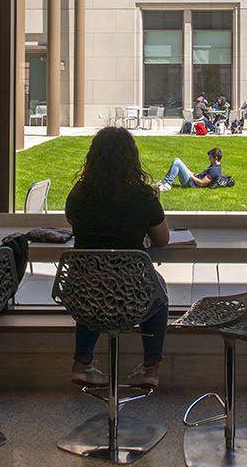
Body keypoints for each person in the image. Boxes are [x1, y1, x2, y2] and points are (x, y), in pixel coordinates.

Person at [63, 127, 171, 390]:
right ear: (132, 158)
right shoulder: (143, 196)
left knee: (93, 288)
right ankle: (151, 367)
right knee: (159, 293)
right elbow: (163, 240)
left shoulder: (78, 195)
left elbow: (72, 222)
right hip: (130, 293)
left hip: (84, 292)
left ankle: (82, 361)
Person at [158, 146, 224, 191]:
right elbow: (201, 177)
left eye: (210, 157)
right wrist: (191, 173)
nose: (209, 159)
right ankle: (165, 182)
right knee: (177, 160)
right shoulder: (214, 167)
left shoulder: (214, 170)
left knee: (177, 162)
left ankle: (167, 184)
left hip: (191, 184)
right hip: (192, 180)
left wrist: (191, 175)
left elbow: (201, 183)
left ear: (216, 158)